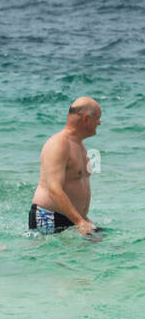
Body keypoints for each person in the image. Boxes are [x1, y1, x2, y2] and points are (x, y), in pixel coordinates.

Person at [30, 98, 101, 236]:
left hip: (73, 218)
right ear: (86, 119)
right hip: (49, 217)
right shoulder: (58, 144)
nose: (99, 123)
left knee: (104, 246)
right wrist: (79, 221)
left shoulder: (80, 146)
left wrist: (83, 218)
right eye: (97, 118)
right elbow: (54, 189)